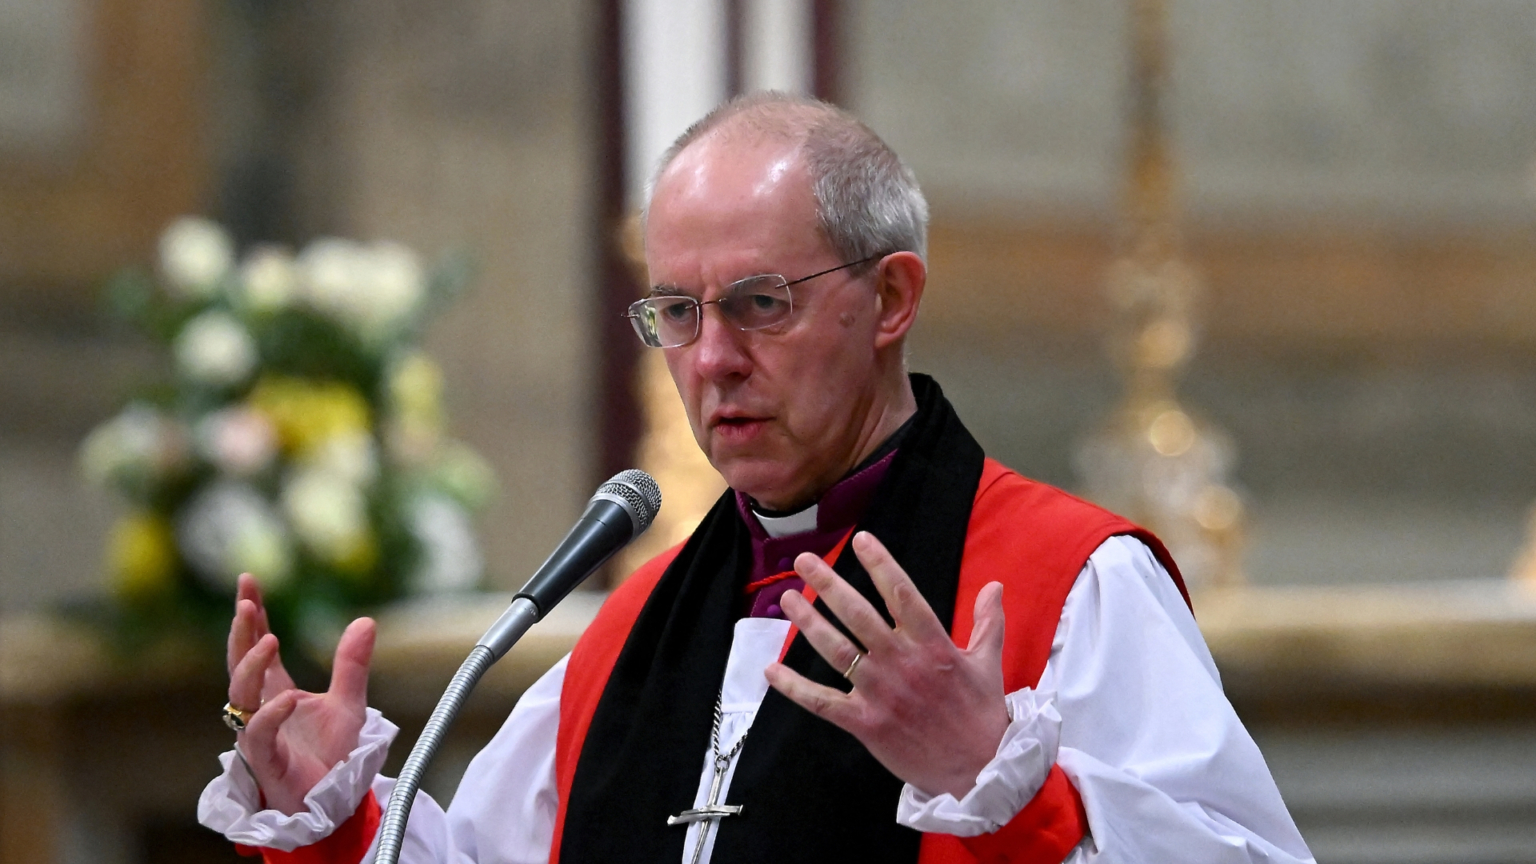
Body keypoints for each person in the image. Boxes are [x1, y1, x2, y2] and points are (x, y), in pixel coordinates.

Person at [200, 92, 1314, 864]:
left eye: (758, 303)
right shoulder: (638, 630)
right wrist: (334, 816)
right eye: (676, 312)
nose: (711, 359)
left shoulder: (1063, 582)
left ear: (890, 299)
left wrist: (1007, 789)